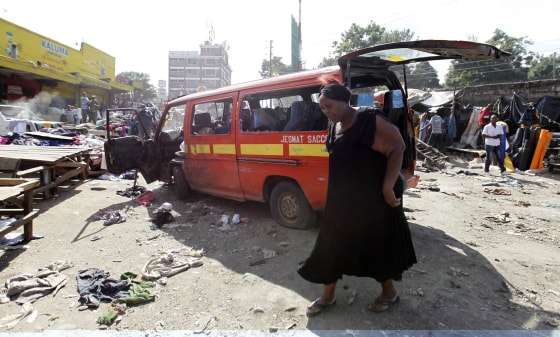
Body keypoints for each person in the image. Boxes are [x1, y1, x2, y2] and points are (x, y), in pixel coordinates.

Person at [297, 77, 417, 317]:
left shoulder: (367, 119)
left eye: (329, 106)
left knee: (375, 246)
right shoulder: (334, 125)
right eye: (322, 107)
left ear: (345, 101)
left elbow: (397, 147)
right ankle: (328, 296)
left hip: (371, 201)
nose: (326, 111)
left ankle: (389, 293)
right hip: (342, 202)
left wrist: (386, 186)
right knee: (331, 246)